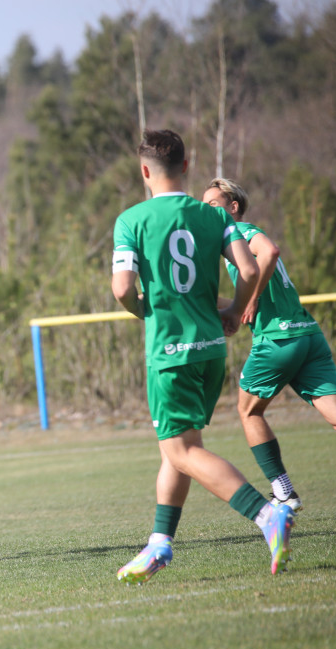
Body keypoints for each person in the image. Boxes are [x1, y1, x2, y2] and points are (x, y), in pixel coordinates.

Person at [110, 129, 294, 583]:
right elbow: (249, 268)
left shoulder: (131, 220)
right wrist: (235, 309)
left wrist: (143, 311)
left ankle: (266, 514)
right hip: (211, 349)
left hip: (169, 351)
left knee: (183, 448)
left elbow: (122, 289)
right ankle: (159, 544)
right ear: (187, 167)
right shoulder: (213, 215)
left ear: (144, 170)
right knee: (176, 450)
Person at [202, 177, 336, 512]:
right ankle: (284, 493)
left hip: (278, 340)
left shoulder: (242, 232)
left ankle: (284, 493)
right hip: (308, 336)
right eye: (203, 207)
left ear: (233, 207)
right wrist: (218, 305)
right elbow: (241, 299)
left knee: (248, 411)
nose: (207, 212)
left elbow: (271, 251)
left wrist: (251, 300)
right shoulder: (232, 248)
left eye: (213, 205)